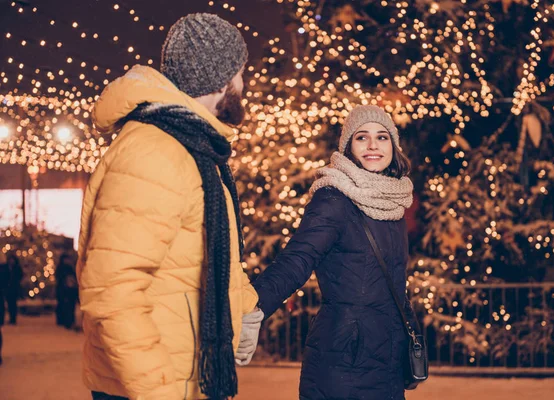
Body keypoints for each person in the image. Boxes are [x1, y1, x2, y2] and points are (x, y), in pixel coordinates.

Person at [77, 13, 262, 400]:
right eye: (240, 73)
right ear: (221, 79)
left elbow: (207, 251)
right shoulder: (156, 151)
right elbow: (113, 288)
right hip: (153, 382)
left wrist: (246, 309)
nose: (243, 84)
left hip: (186, 373)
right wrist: (157, 388)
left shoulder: (191, 147)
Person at [252, 105, 421, 400]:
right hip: (345, 356)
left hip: (388, 357)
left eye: (382, 137)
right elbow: (298, 259)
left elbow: (394, 284)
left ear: (393, 146)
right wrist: (253, 307)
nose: (372, 146)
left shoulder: (393, 203)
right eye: (361, 137)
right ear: (348, 147)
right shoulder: (334, 199)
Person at [55, 253, 78, 329]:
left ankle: (69, 321)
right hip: (64, 290)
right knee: (65, 306)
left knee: (69, 307)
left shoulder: (71, 267)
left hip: (70, 290)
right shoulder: (63, 268)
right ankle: (65, 321)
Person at [4, 254, 23, 325]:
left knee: (13, 304)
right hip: (8, 289)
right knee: (9, 304)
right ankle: (11, 318)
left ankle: (13, 319)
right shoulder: (6, 268)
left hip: (14, 289)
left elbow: (20, 276)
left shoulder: (17, 268)